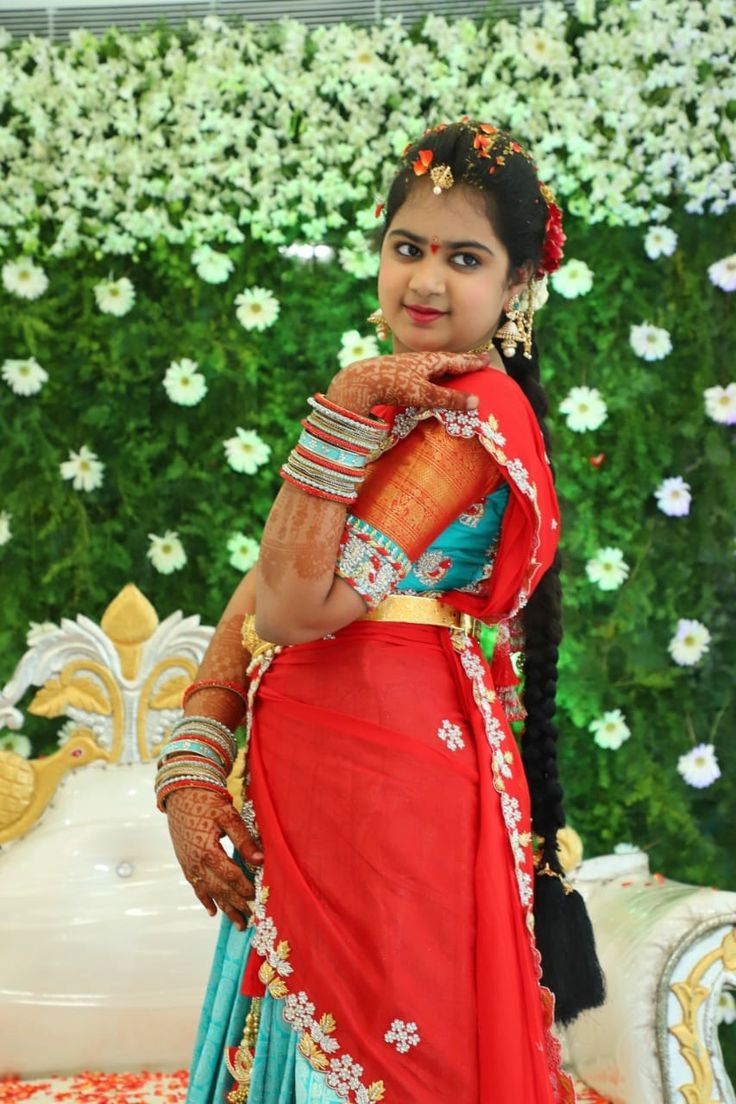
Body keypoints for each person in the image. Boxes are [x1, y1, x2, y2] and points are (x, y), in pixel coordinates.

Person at [158, 118, 606, 1104]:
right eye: (407, 248)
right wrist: (196, 748)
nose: (426, 281)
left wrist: (340, 406)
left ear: (517, 283)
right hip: (318, 761)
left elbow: (294, 603)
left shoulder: (471, 415)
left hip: (391, 777)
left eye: (464, 257)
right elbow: (267, 579)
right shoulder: (403, 400)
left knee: (385, 1040)